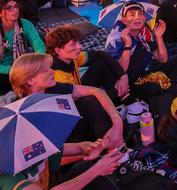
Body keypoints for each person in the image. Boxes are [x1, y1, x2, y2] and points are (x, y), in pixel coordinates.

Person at [5, 54, 127, 190]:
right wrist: (93, 164)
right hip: (52, 176)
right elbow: (46, 155)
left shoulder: (51, 90)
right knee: (94, 171)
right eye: (46, 70)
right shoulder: (22, 121)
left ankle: (113, 145)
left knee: (89, 102)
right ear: (30, 81)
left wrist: (84, 146)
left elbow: (45, 151)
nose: (52, 71)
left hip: (49, 162)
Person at [105, 1, 177, 110]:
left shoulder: (144, 33)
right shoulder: (117, 39)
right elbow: (119, 72)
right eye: (132, 15)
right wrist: (128, 45)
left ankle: (167, 89)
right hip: (127, 84)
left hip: (144, 74)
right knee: (155, 87)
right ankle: (167, 90)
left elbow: (163, 59)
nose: (137, 18)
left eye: (140, 14)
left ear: (144, 18)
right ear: (124, 20)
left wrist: (158, 37)